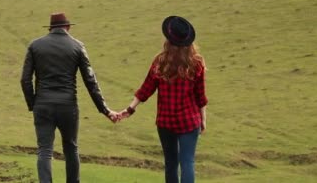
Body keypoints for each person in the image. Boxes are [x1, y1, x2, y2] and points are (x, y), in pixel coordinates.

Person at [21, 12, 118, 183]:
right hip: (68, 106)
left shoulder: (35, 46)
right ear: (68, 27)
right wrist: (104, 109)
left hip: (43, 105)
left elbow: (25, 80)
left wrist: (33, 104)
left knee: (44, 150)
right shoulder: (77, 46)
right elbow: (90, 81)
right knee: (71, 148)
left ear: (50, 28)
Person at [118, 16, 208, 183]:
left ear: (168, 39)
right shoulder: (196, 63)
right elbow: (200, 95)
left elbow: (146, 89)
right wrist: (203, 118)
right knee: (187, 162)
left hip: (166, 123)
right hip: (189, 121)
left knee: (171, 163)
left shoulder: (160, 61)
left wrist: (129, 109)